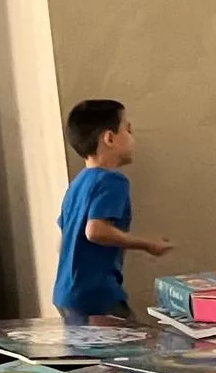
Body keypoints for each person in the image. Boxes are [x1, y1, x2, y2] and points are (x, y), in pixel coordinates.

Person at [52, 100, 173, 324]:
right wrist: (146, 243)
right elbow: (95, 231)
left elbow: (62, 241)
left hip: (67, 293)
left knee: (89, 355)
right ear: (109, 138)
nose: (133, 136)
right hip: (97, 296)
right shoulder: (112, 180)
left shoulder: (78, 184)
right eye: (127, 129)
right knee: (132, 350)